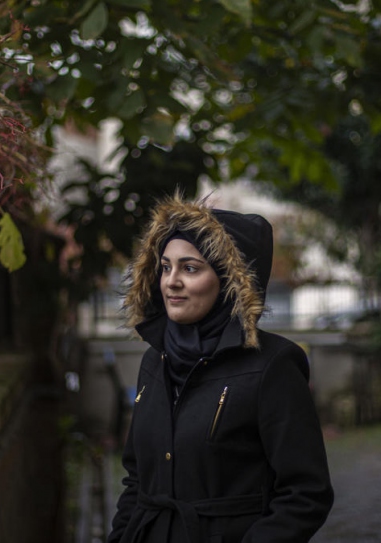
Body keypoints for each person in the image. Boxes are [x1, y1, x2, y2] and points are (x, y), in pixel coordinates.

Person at [108, 194, 334, 543]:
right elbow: (137, 479)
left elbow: (306, 493)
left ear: (228, 279)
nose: (171, 281)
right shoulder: (155, 359)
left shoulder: (272, 365)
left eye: (190, 268)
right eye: (165, 267)